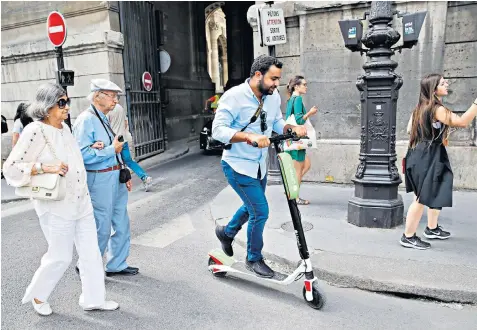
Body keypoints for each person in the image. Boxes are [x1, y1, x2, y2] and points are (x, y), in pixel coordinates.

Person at [2, 83, 119, 315]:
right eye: (61, 103)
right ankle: (38, 296)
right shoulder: (34, 131)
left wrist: (93, 147)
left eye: (67, 101)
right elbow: (11, 169)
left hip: (81, 201)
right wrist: (44, 167)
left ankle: (93, 299)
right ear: (46, 107)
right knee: (60, 256)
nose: (67, 107)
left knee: (91, 253)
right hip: (55, 205)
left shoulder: (65, 129)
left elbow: (74, 160)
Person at [212, 55, 307, 278]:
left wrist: (290, 128)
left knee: (252, 206)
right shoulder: (233, 97)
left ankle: (227, 233)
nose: (277, 84)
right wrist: (247, 137)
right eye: (273, 79)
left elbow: (275, 121)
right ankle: (253, 258)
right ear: (257, 75)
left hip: (258, 166)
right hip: (237, 166)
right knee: (260, 211)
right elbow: (218, 130)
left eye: (278, 79)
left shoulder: (271, 97)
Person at [401, 73, 477, 249]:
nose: (447, 84)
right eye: (443, 83)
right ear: (433, 89)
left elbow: (408, 130)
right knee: (421, 197)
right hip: (427, 156)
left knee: (438, 187)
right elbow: (462, 122)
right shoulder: (436, 109)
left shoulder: (421, 107)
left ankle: (432, 228)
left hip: (423, 153)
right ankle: (408, 236)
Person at [73, 79, 139, 276]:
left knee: (121, 222)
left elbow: (114, 148)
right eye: (111, 96)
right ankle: (87, 266)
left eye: (116, 96)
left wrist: (123, 171)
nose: (115, 101)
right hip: (99, 179)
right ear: (97, 96)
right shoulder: (86, 120)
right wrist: (111, 150)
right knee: (101, 226)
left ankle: (117, 264)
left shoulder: (103, 117)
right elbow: (82, 156)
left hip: (113, 176)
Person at [285, 75, 318, 205]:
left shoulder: (290, 100)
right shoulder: (297, 99)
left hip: (293, 139)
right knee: (297, 171)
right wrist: (310, 113)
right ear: (296, 86)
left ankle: (292, 188)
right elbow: (299, 120)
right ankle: (295, 197)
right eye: (304, 84)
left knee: (306, 164)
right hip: (297, 139)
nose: (306, 86)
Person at [106, 104, 153, 191]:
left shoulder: (107, 109)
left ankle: (115, 187)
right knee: (129, 161)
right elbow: (125, 123)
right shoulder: (120, 107)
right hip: (123, 139)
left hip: (114, 141)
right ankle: (144, 177)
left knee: (113, 164)